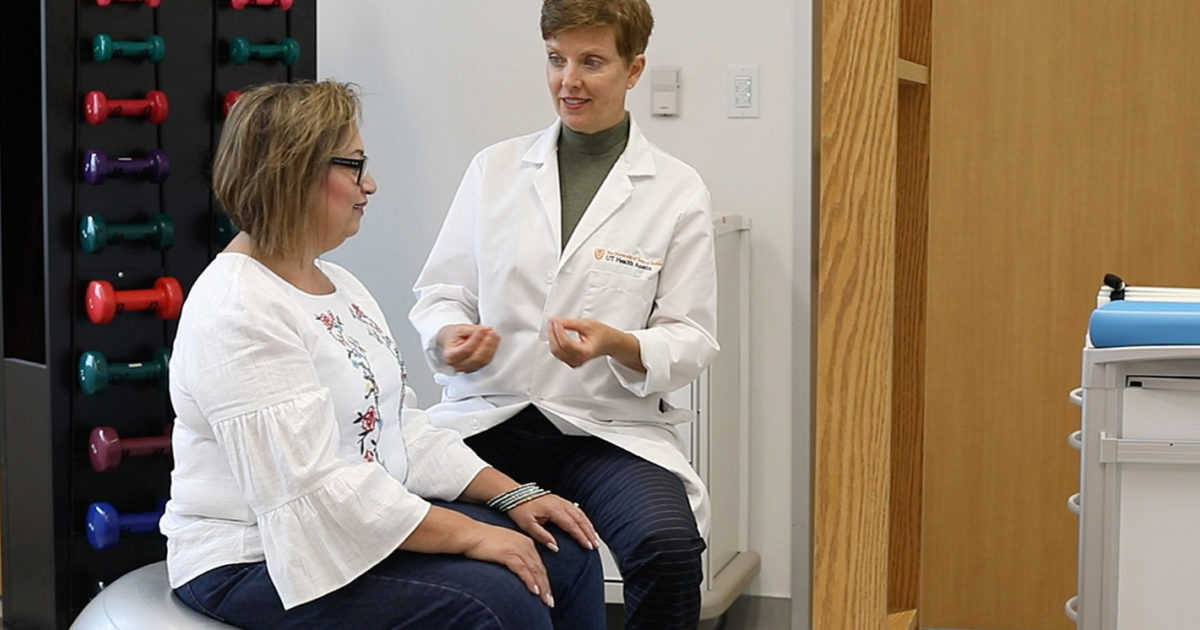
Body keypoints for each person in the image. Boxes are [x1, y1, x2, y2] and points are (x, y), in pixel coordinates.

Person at [159, 80, 606, 630]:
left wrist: (514, 495)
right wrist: (472, 533)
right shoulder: (237, 308)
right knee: (497, 601)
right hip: (256, 558)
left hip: (351, 525)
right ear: (294, 171)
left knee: (566, 548)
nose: (370, 184)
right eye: (354, 165)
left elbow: (399, 431)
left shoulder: (340, 284)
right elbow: (313, 495)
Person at [409, 2, 718, 628]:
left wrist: (616, 344)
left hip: (603, 429)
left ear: (634, 70)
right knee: (412, 521)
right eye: (556, 60)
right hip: (489, 416)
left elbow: (692, 338)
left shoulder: (677, 190)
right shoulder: (493, 170)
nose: (567, 81)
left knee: (669, 547)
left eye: (591, 62)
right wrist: (448, 338)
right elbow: (440, 294)